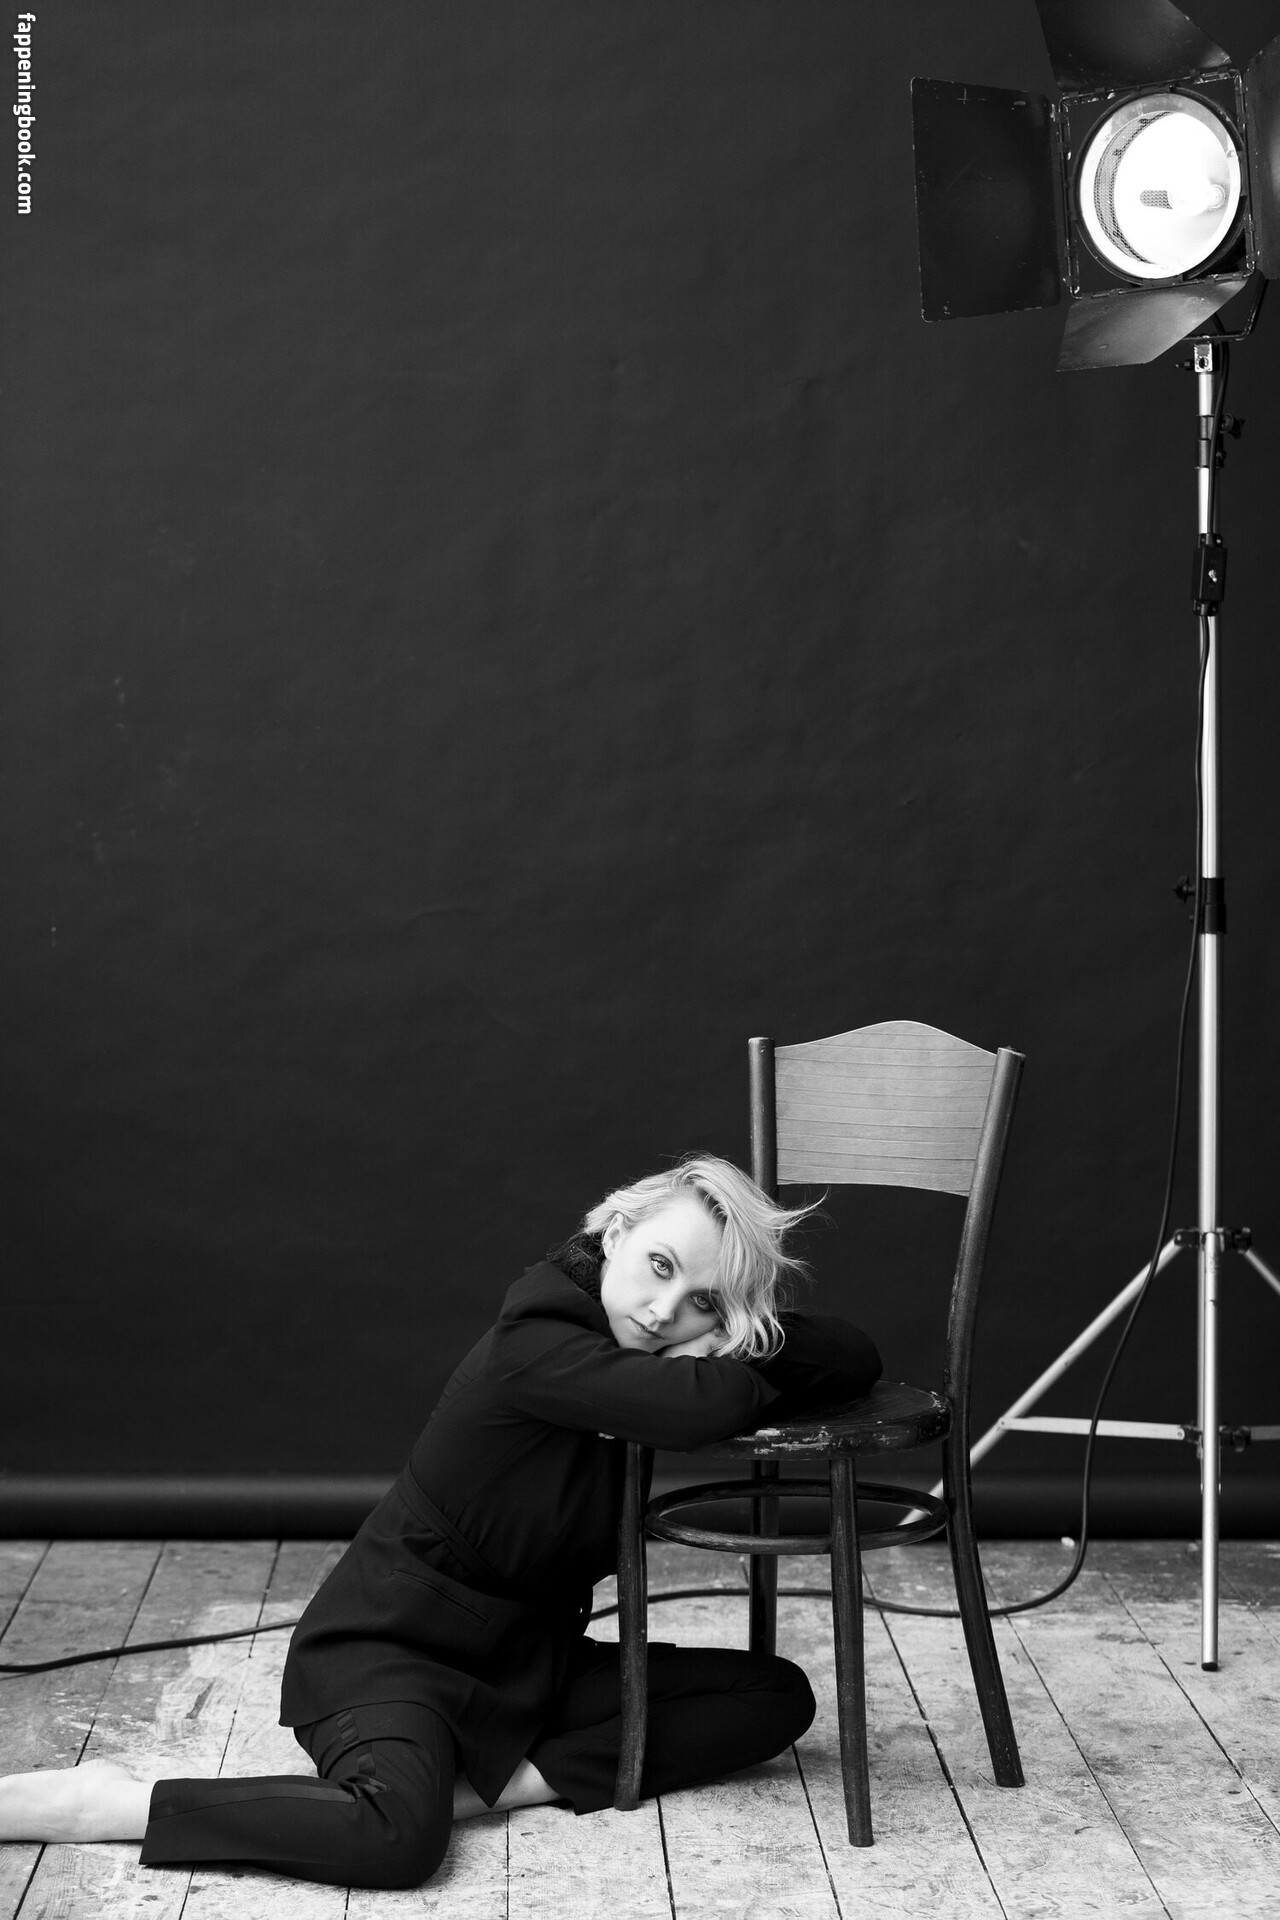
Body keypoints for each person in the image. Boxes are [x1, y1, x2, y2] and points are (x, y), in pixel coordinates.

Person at [0, 1154, 881, 1889]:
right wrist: (723, 1352)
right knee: (395, 1841)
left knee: (773, 1697)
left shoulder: (648, 1355)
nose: (664, 1312)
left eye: (703, 1302)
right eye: (660, 1266)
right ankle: (113, 1804)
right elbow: (701, 1410)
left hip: (526, 1665)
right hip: (392, 1653)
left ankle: (480, 1789)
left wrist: (739, 1333)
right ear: (615, 1233)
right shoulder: (535, 1341)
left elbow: (852, 1354)